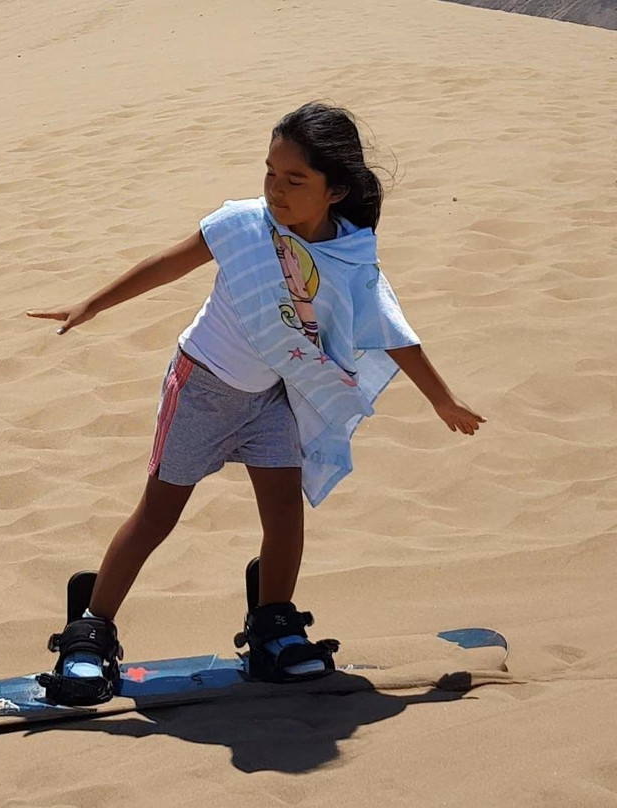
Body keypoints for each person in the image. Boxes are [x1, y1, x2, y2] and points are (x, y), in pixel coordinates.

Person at [25, 102, 486, 706]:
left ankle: (272, 629)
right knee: (157, 517)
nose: (276, 189)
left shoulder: (349, 256)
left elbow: (391, 330)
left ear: (335, 190)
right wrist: (93, 303)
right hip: (201, 391)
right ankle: (88, 637)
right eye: (270, 172)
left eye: (295, 180)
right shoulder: (243, 225)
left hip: (271, 400)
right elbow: (168, 262)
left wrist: (441, 399)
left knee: (286, 520)